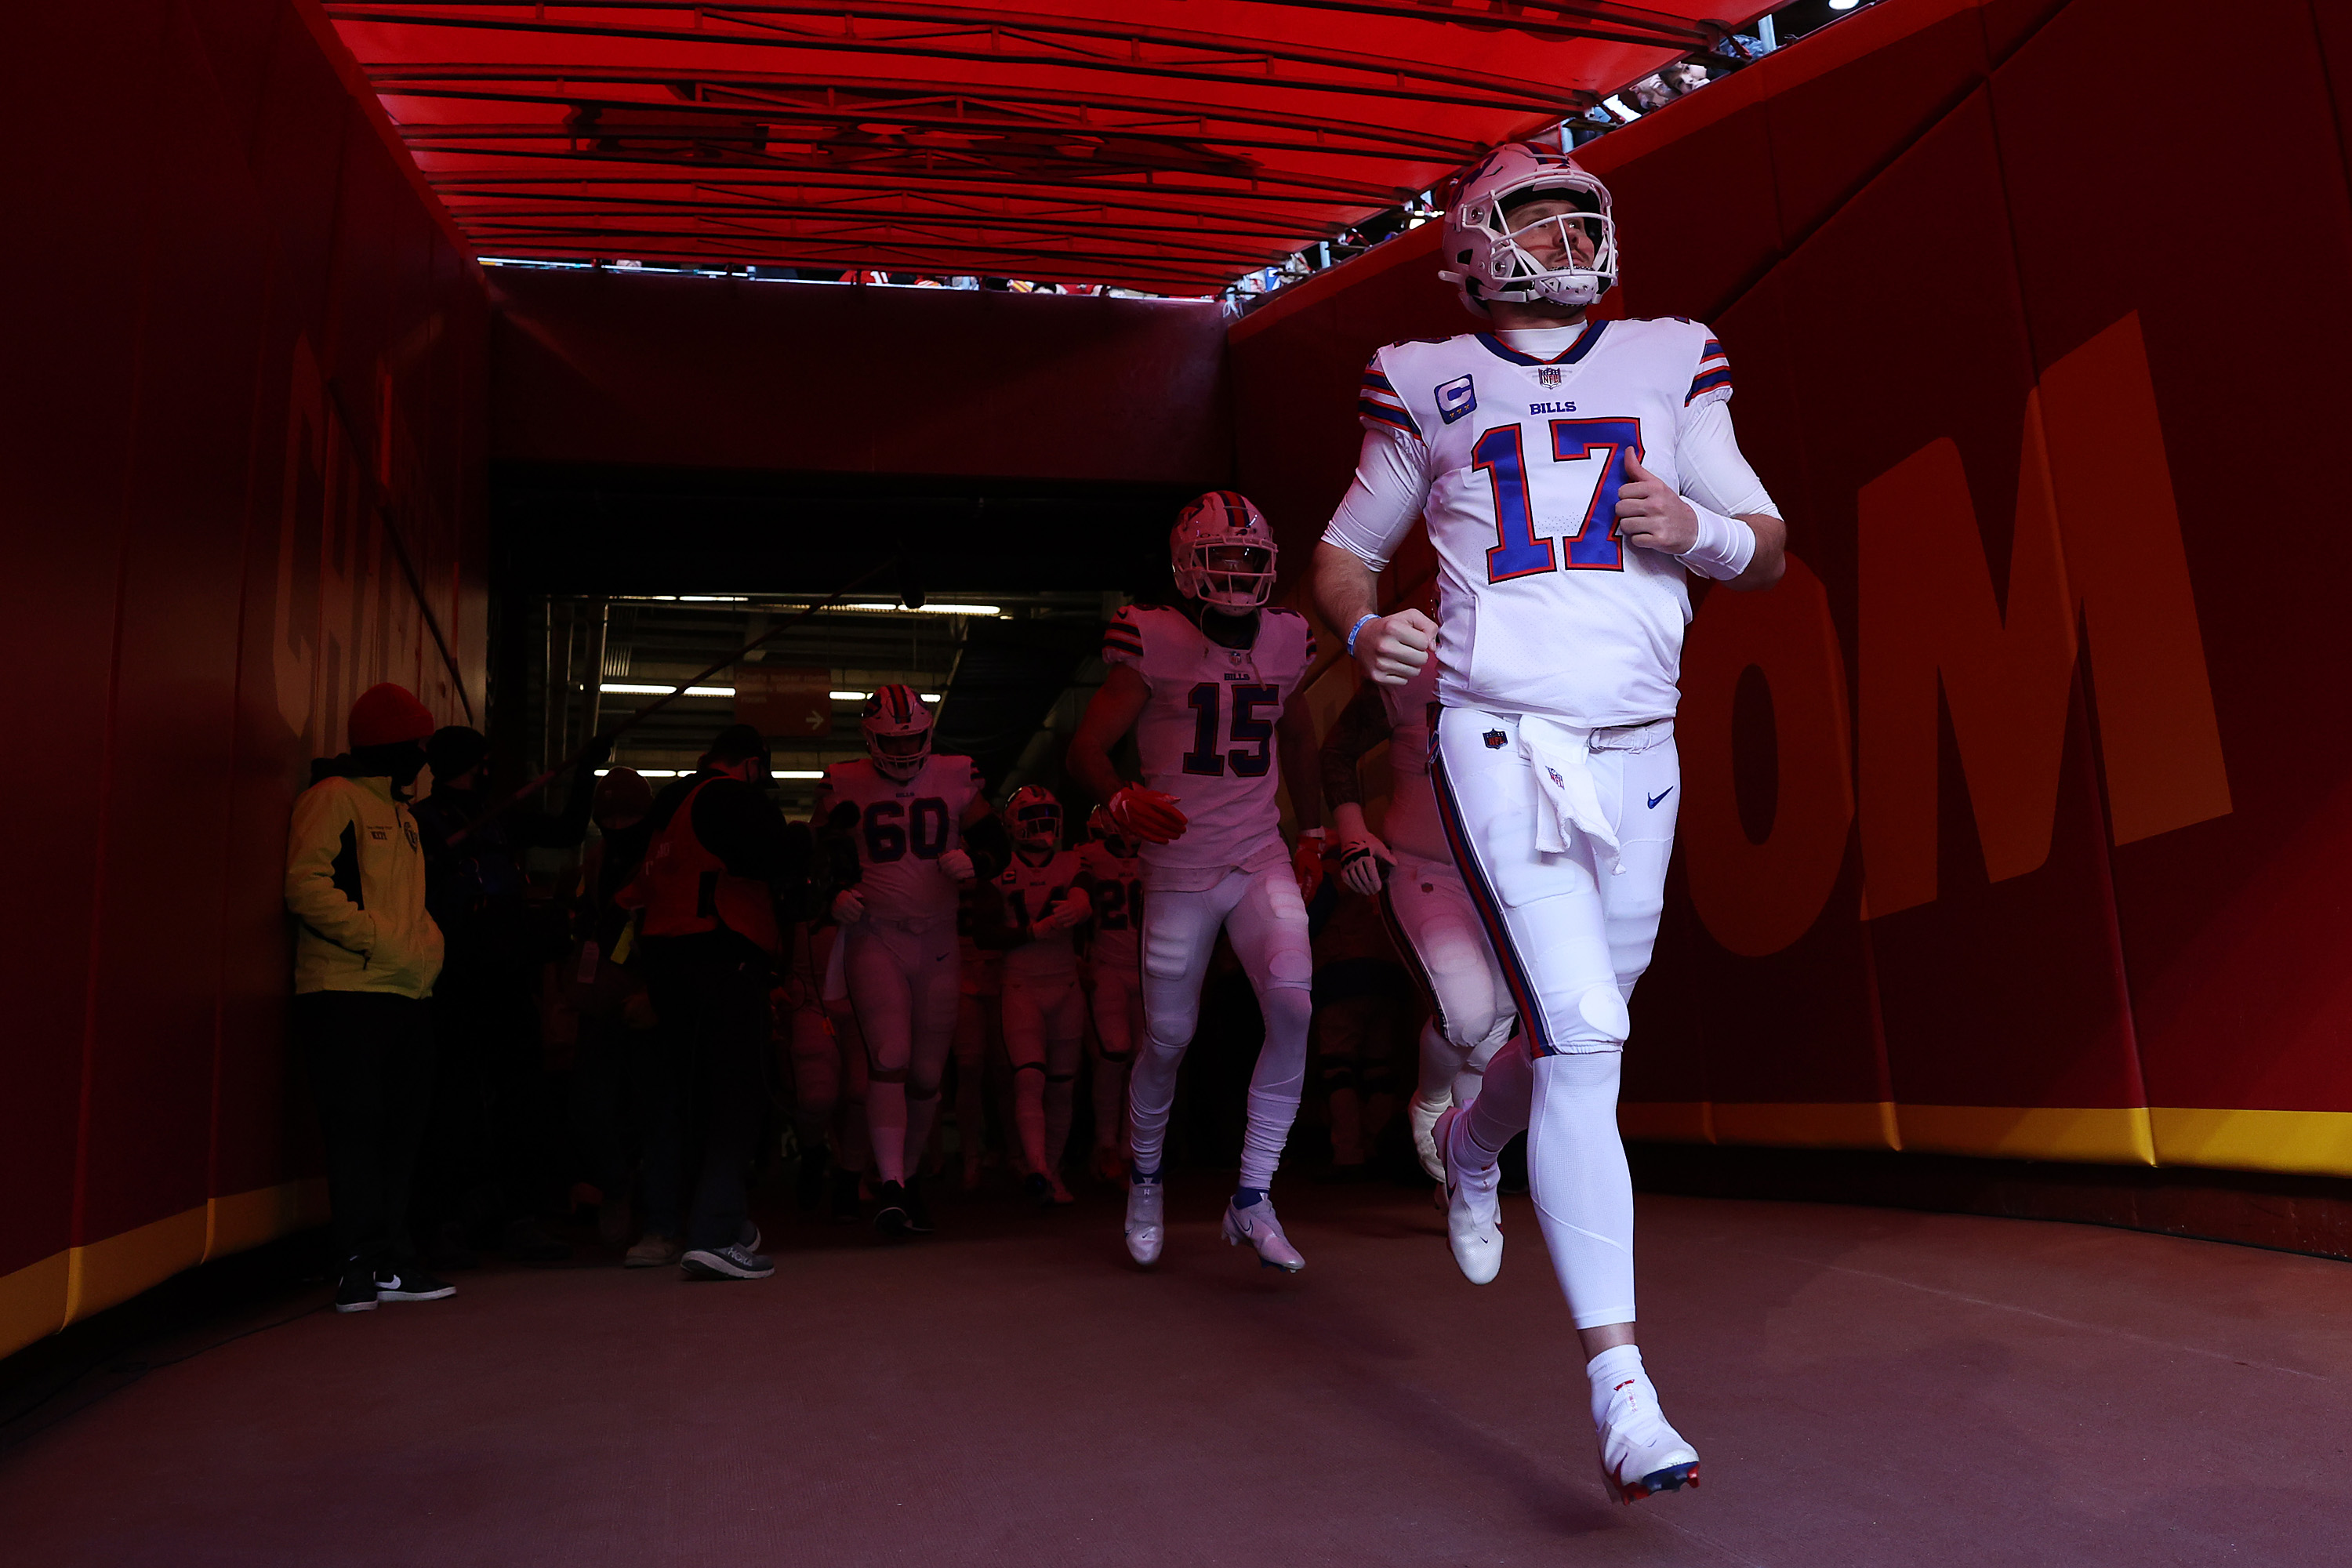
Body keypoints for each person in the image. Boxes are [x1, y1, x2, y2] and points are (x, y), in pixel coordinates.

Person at [1312, 140, 1787, 1503]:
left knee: (1568, 1034)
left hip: (1642, 744)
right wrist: (1365, 621)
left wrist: (1691, 525)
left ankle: (1470, 1142)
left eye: (1584, 214)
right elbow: (1344, 549)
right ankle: (1622, 1389)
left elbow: (1767, 543)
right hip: (1499, 733)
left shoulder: (1672, 353)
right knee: (1587, 1032)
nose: (1570, 235)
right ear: (1472, 241)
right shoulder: (1422, 377)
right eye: (1539, 214)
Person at [1066, 493, 1327, 1272]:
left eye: (1250, 558)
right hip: (1180, 867)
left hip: (1257, 853)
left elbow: (1298, 728)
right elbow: (1086, 747)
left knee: (1292, 999)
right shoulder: (1155, 637)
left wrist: (1310, 829)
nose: (1240, 572)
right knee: (1170, 1036)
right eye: (1224, 557)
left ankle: (1252, 1195)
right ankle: (1145, 1178)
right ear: (1187, 566)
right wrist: (1117, 795)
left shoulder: (1285, 637)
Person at [1319, 585, 1517, 1184]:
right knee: (1466, 1017)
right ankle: (1432, 1102)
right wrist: (1353, 830)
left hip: (1508, 872)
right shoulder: (1413, 666)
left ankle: (1468, 1179)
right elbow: (1338, 751)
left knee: (1494, 1042)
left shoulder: (1538, 658)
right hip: (1427, 866)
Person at [285, 682, 456, 1314]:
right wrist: (384, 942)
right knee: (358, 1131)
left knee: (399, 1134)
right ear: (394, 745)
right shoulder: (333, 799)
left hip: (404, 993)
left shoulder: (402, 816)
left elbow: (411, 908)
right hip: (343, 993)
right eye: (419, 744)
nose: (425, 755)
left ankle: (388, 1261)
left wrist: (422, 950)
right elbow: (306, 885)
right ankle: (360, 1263)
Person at [814, 686, 1007, 1236]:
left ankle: (910, 1177)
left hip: (939, 937)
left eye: (914, 740)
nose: (904, 753)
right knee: (891, 1054)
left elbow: (995, 839)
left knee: (926, 1073)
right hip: (876, 934)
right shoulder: (845, 781)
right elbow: (816, 852)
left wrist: (978, 861)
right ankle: (892, 1185)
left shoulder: (955, 774)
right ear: (869, 740)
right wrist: (832, 895)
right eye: (893, 742)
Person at [410, 724, 604, 1265]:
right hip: (451, 985)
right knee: (454, 1104)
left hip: (507, 983)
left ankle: (516, 1217)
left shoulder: (497, 820)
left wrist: (587, 770)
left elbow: (567, 830)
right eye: (486, 763)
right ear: (475, 765)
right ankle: (447, 1221)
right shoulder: (423, 825)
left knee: (521, 1100)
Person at [622, 724, 810, 1280]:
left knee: (680, 1101)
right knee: (737, 1098)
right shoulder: (727, 798)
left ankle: (666, 1225)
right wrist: (801, 840)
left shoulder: (667, 809)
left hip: (666, 967)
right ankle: (716, 1232)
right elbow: (771, 860)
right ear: (751, 764)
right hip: (724, 960)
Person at [972, 786, 1094, 1206]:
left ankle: (1051, 1169)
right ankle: (1037, 1165)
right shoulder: (1000, 868)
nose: (1042, 823)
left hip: (1064, 983)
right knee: (1029, 1076)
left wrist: (1081, 901)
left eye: (1048, 812)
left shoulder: (1071, 861)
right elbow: (984, 932)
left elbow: (1084, 886)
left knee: (1062, 1085)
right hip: (1022, 982)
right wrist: (1029, 932)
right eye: (1033, 814)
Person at [1076, 805, 1145, 1183]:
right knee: (1113, 1050)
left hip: (1146, 967)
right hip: (1107, 965)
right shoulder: (1088, 858)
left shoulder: (1155, 856)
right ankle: (1105, 1144)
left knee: (1141, 1059)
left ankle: (1129, 1145)